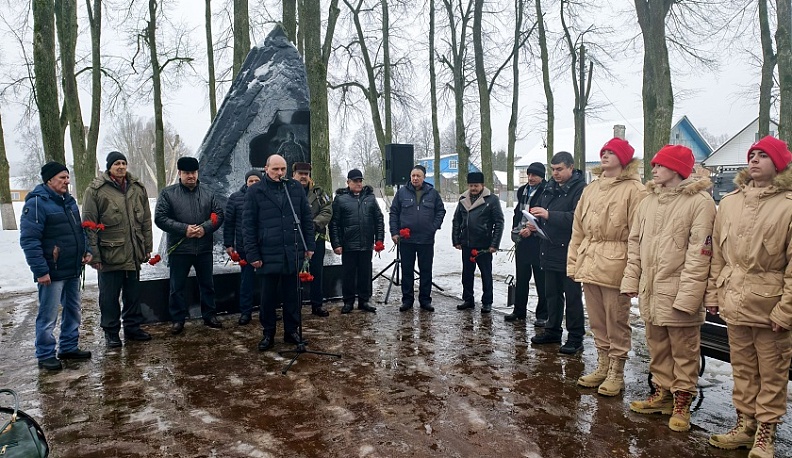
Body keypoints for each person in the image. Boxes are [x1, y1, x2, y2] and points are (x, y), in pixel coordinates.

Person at [705, 136, 792, 457]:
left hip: (770, 305)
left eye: (763, 156)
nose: (754, 160)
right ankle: (744, 425)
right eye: (752, 155)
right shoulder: (730, 203)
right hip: (734, 300)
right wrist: (713, 294)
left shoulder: (787, 205)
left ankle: (765, 433)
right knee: (742, 368)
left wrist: (785, 311)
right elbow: (718, 255)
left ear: (779, 164)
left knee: (771, 372)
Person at [621, 145, 715, 432]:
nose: (654, 169)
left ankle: (682, 400)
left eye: (660, 165)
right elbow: (635, 243)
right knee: (658, 345)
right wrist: (631, 279)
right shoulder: (648, 201)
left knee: (684, 350)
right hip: (651, 289)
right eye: (654, 165)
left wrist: (688, 298)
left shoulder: (700, 202)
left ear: (676, 169)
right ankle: (662, 392)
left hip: (679, 290)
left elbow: (700, 254)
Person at [567, 137, 647, 395]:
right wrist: (574, 262)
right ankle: (602, 365)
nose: (605, 155)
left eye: (612, 152)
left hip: (617, 263)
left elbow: (637, 234)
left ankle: (616, 371)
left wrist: (632, 272)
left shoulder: (635, 190)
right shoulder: (591, 189)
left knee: (617, 320)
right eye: (604, 151)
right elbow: (578, 229)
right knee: (598, 321)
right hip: (590, 260)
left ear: (624, 159)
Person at [20, 162, 93, 371]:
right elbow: (29, 240)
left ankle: (68, 347)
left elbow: (79, 231)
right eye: (62, 178)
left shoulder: (69, 202)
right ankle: (45, 354)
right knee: (48, 315)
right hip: (52, 271)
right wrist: (40, 271)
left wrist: (86, 250)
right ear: (49, 180)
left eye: (67, 177)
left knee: (73, 310)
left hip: (72, 268)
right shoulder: (37, 204)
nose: (67, 181)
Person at [243, 154, 315, 351]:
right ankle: (268, 333)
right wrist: (253, 254)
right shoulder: (255, 191)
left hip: (292, 251)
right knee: (268, 298)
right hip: (267, 253)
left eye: (283, 169)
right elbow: (248, 225)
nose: (279, 173)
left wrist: (309, 246)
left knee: (292, 295)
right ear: (266, 169)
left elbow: (306, 219)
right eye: (275, 169)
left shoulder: (294, 188)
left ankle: (291, 331)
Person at [82, 151, 154, 348]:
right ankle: (111, 332)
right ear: (109, 167)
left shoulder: (137, 188)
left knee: (133, 295)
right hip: (110, 254)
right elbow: (89, 225)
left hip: (133, 252)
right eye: (116, 164)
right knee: (109, 298)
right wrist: (94, 255)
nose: (121, 167)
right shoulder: (96, 190)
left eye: (123, 163)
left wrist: (147, 247)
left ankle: (133, 328)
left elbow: (146, 220)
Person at [154, 156, 225, 335]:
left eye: (193, 172)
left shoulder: (208, 192)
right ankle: (178, 319)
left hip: (203, 247)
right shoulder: (168, 193)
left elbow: (218, 214)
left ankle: (209, 314)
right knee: (177, 287)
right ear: (180, 173)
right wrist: (184, 229)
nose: (191, 176)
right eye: (187, 173)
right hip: (180, 249)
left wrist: (205, 228)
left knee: (207, 284)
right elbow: (160, 218)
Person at [529, 151, 586, 355]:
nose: (555, 173)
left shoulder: (581, 189)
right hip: (548, 248)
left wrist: (548, 215)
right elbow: (545, 214)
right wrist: (536, 223)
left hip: (569, 251)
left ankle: (575, 337)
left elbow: (577, 219)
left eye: (559, 169)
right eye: (553, 169)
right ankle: (552, 330)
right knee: (551, 295)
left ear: (571, 167)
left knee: (572, 297)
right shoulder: (550, 187)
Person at [390, 165, 446, 312]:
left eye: (418, 176)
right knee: (407, 271)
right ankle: (407, 300)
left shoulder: (432, 193)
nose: (415, 178)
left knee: (426, 271)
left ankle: (425, 300)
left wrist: (433, 227)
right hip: (406, 240)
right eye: (413, 175)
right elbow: (394, 213)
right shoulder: (401, 193)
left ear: (424, 177)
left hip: (426, 240)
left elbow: (440, 211)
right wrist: (394, 232)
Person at [329, 169, 384, 314]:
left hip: (366, 244)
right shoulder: (340, 199)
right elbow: (334, 223)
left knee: (365, 274)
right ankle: (348, 301)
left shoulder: (370, 198)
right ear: (348, 182)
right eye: (355, 181)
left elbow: (379, 219)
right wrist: (336, 244)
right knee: (348, 274)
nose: (358, 183)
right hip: (348, 245)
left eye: (360, 181)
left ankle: (364, 300)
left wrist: (379, 239)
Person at [452, 171, 504, 313]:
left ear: (482, 185)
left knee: (486, 274)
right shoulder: (463, 199)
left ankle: (487, 301)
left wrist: (494, 244)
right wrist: (456, 239)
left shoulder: (492, 200)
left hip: (484, 244)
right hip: (467, 243)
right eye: (471, 186)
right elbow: (457, 220)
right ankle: (468, 299)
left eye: (476, 185)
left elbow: (499, 222)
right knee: (467, 274)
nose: (473, 188)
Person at [506, 162, 547, 324]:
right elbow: (518, 213)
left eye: (534, 175)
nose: (531, 178)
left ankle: (542, 315)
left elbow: (546, 216)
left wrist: (532, 229)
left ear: (541, 176)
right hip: (522, 240)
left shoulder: (546, 191)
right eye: (529, 174)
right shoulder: (523, 190)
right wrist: (515, 230)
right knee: (521, 278)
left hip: (538, 241)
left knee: (541, 280)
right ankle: (519, 310)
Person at [292, 162, 333, 317]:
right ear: (293, 175)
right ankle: (294, 305)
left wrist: (313, 224)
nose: (303, 177)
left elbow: (327, 210)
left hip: (316, 238)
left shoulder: (318, 192)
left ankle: (317, 304)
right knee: (293, 273)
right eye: (300, 173)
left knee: (317, 272)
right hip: (294, 238)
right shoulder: (288, 191)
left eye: (306, 174)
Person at [224, 169, 262, 325]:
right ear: (246, 182)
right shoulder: (235, 198)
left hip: (265, 246)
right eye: (251, 181)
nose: (253, 183)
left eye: (256, 181)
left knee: (267, 281)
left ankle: (268, 309)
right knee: (246, 281)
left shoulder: (267, 196)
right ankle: (245, 312)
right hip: (245, 246)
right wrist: (228, 244)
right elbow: (229, 223)